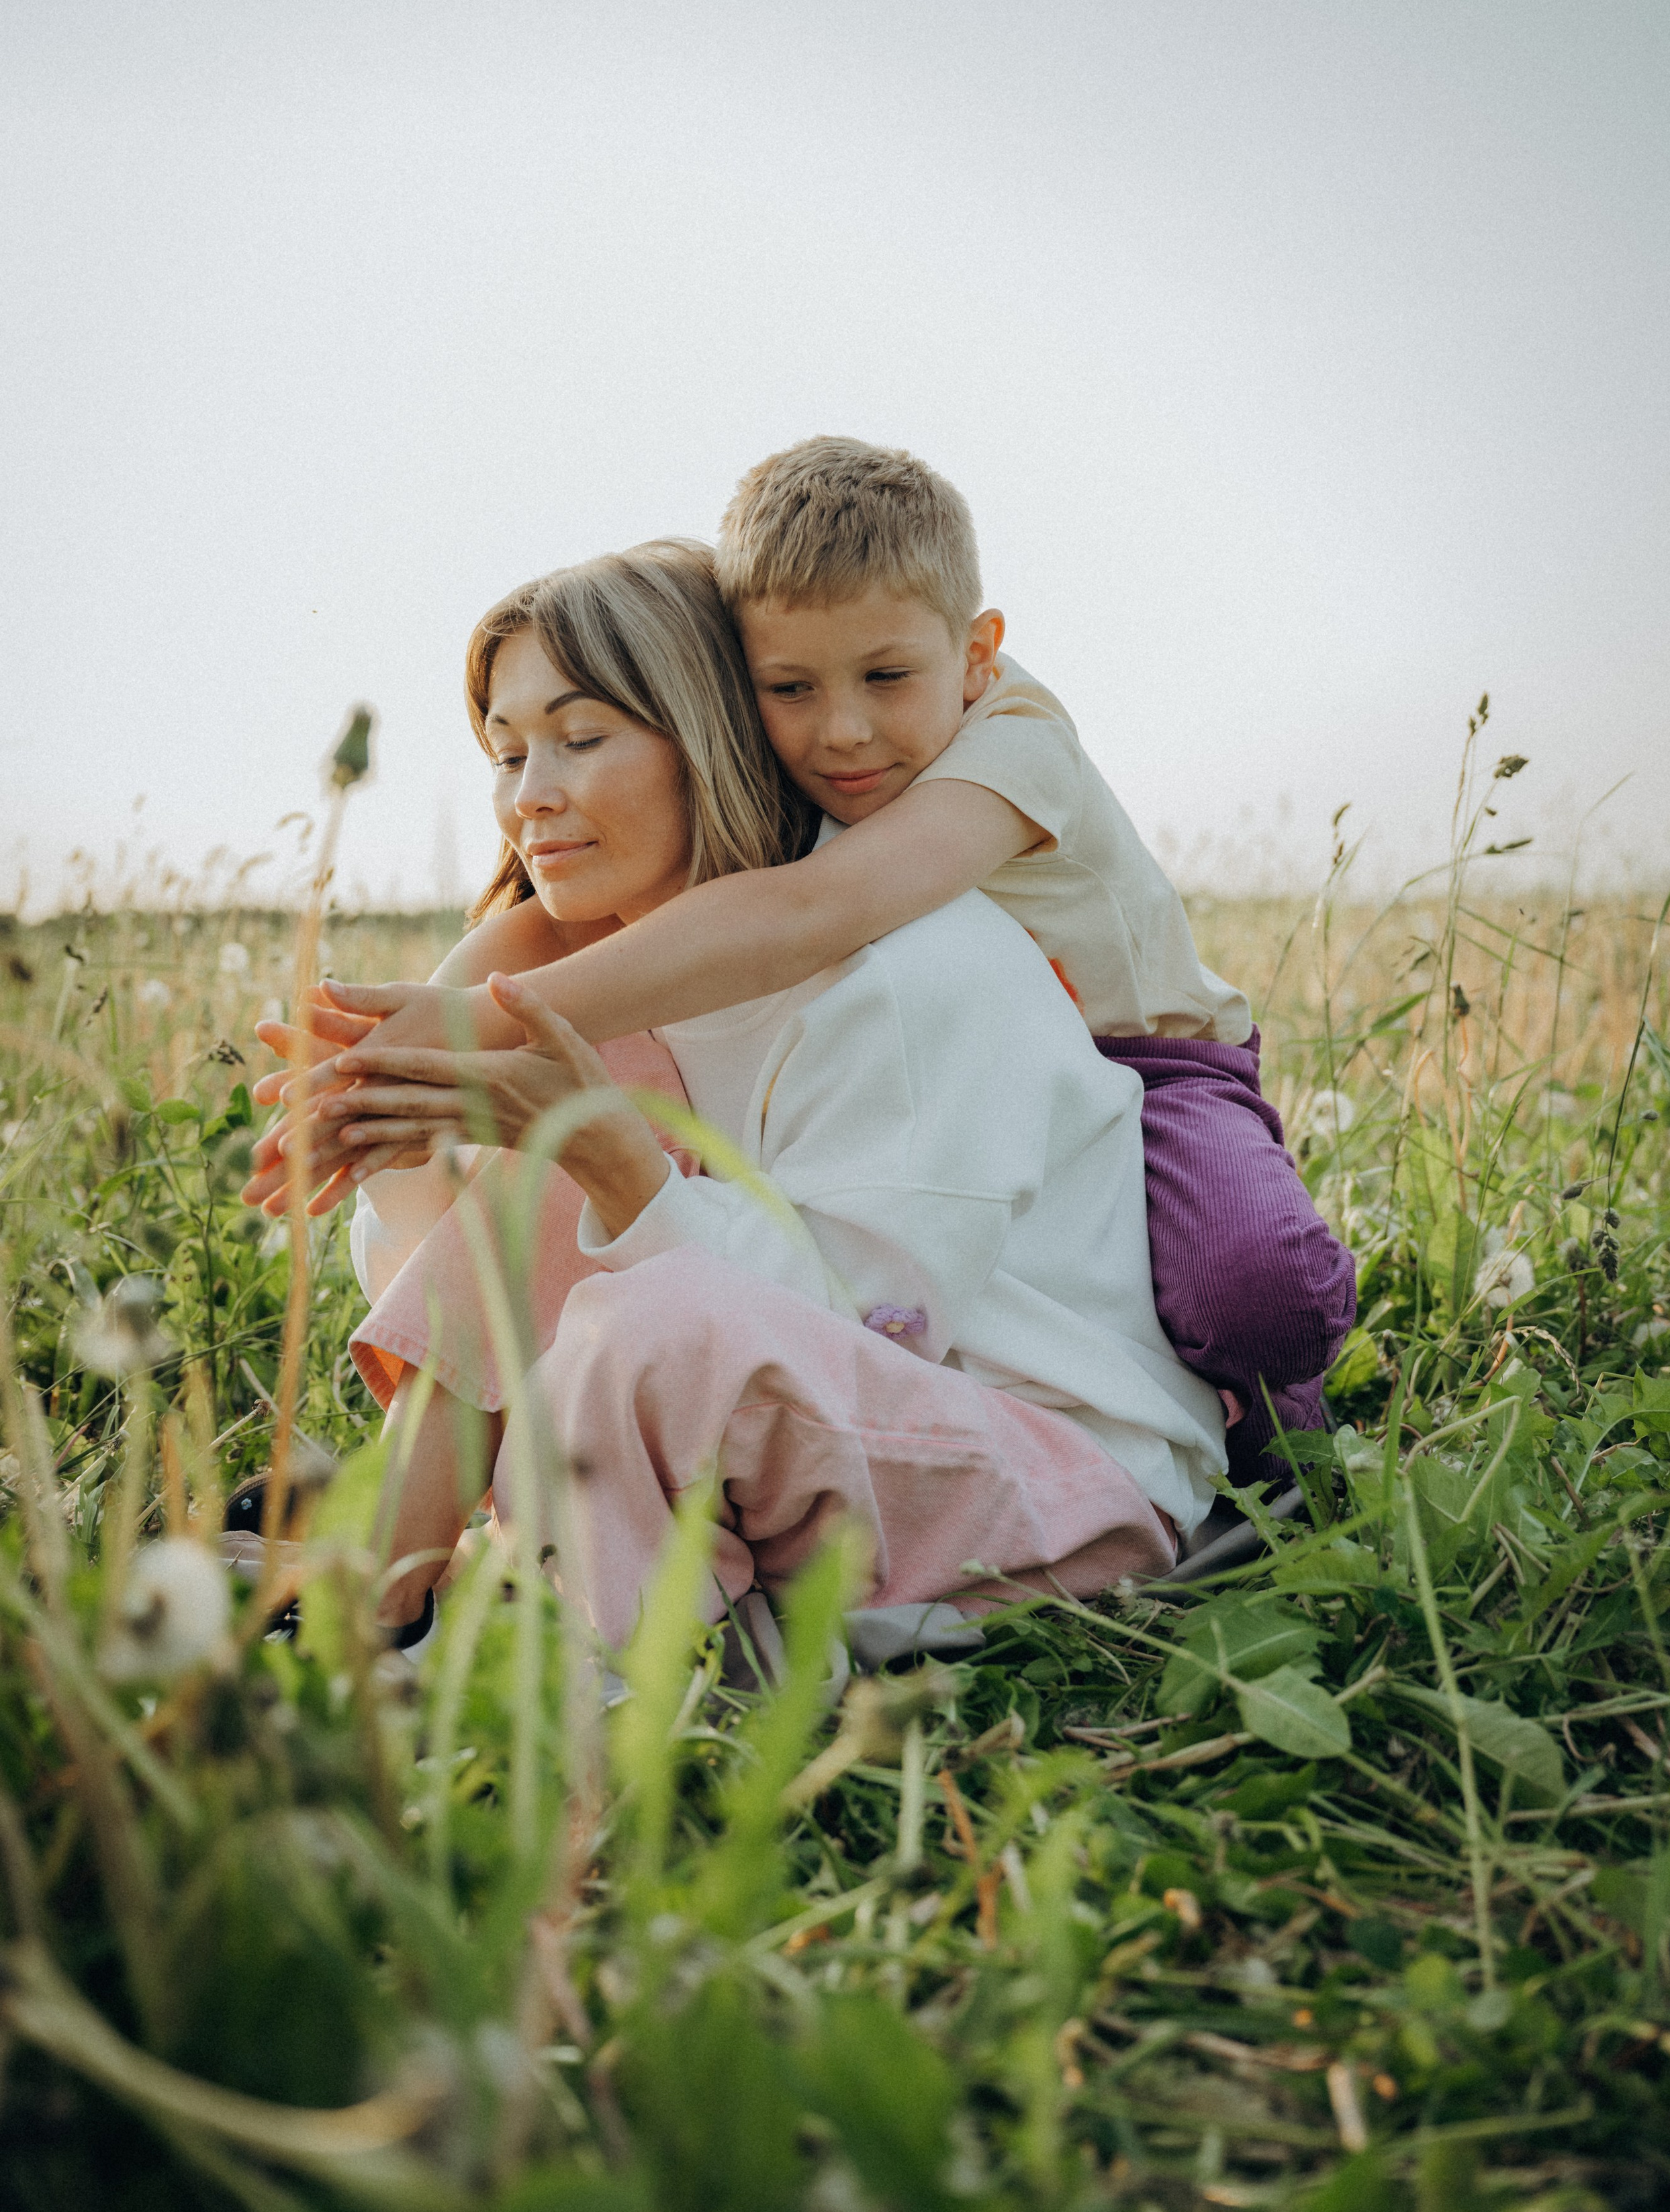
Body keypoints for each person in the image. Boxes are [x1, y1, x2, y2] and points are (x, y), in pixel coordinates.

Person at [254, 441, 1353, 1481]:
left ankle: (1278, 1458)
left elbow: (812, 910)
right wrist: (386, 1070)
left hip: (1157, 1060)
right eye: (788, 690)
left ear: (973, 655)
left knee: (1250, 1291)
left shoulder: (1010, 744)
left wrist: (482, 1024)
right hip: (1019, 1090)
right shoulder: (714, 869)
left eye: (885, 678)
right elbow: (575, 930)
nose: (841, 733)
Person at [261, 540, 1225, 1644]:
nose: (532, 797)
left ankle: (583, 1679)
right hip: (814, 1459)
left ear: (707, 739)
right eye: (506, 750)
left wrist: (616, 1161)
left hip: (1054, 1489)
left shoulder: (910, 978)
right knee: (603, 1234)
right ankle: (396, 1592)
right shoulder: (604, 984)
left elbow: (871, 1332)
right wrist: (397, 1146)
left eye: (580, 739)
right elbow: (481, 1341)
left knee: (644, 1321)